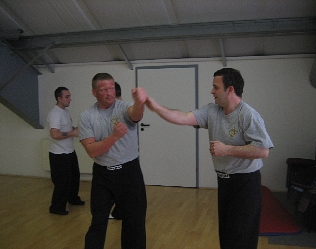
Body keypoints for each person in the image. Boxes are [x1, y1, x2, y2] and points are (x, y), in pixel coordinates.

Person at [145, 68, 274, 249]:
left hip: (246, 184)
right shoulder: (212, 111)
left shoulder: (248, 115)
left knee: (242, 238)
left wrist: (227, 149)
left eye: (215, 87)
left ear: (230, 89)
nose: (212, 91)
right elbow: (182, 117)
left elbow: (263, 150)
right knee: (227, 236)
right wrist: (156, 107)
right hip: (225, 182)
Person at [78, 73, 147, 249]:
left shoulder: (124, 107)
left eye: (111, 88)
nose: (109, 93)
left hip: (129, 172)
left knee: (134, 220)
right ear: (94, 92)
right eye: (103, 89)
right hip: (103, 175)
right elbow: (92, 151)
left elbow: (136, 115)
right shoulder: (87, 116)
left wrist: (139, 102)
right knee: (98, 220)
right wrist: (114, 136)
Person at [47, 87, 85, 216]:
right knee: (63, 181)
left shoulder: (66, 112)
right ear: (59, 98)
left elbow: (68, 129)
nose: (70, 99)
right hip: (58, 154)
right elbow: (55, 134)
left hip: (69, 151)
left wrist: (76, 129)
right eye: (67, 97)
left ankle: (73, 198)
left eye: (70, 96)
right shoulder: (54, 114)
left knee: (75, 176)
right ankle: (56, 207)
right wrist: (72, 133)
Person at [108, 81, 122, 220]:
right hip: (120, 156)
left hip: (116, 156)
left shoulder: (116, 110)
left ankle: (118, 211)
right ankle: (118, 211)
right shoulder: (126, 107)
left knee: (114, 186)